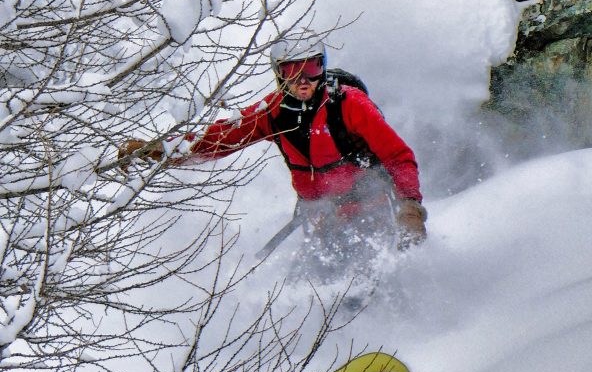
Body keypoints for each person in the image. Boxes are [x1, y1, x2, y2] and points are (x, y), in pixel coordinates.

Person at [119, 35, 427, 271]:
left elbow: (398, 158)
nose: (304, 80)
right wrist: (161, 150)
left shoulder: (350, 104)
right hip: (324, 219)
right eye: (293, 71)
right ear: (280, 74)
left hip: (370, 213)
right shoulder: (273, 111)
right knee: (309, 290)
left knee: (366, 285)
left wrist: (410, 207)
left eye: (312, 67)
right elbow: (223, 138)